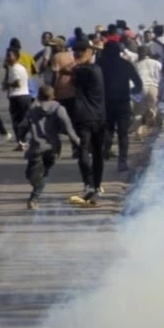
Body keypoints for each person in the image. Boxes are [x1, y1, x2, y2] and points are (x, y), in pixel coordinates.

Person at [17, 86, 81, 210]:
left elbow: (22, 126)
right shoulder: (59, 108)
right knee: (44, 172)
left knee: (31, 174)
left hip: (36, 147)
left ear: (39, 95)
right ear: (53, 95)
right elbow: (68, 126)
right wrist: (77, 141)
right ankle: (34, 196)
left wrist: (21, 137)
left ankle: (34, 197)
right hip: (52, 147)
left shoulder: (32, 109)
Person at [62, 38, 107, 205]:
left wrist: (77, 61)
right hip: (99, 116)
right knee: (97, 153)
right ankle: (96, 186)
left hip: (84, 116)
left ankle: (89, 185)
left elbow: (65, 71)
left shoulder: (83, 71)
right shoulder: (97, 69)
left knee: (84, 150)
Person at [98, 41, 143, 171]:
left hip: (105, 103)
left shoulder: (99, 64)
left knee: (108, 130)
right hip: (123, 102)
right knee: (123, 134)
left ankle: (105, 150)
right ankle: (122, 162)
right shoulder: (125, 64)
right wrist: (131, 92)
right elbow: (138, 84)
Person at [3, 48, 33, 151]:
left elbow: (17, 83)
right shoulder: (21, 67)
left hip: (17, 97)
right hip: (25, 96)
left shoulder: (14, 69)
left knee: (17, 122)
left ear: (16, 57)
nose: (7, 58)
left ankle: (21, 142)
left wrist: (7, 84)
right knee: (24, 120)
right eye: (7, 55)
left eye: (9, 56)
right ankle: (24, 141)